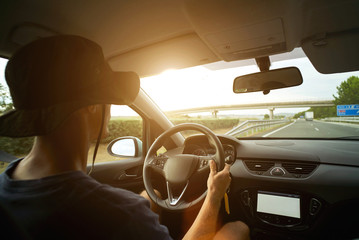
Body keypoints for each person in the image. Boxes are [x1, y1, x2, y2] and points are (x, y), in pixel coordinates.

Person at [0, 35, 249, 239]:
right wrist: (214, 194)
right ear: (91, 107)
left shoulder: (5, 184)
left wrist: (143, 204)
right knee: (236, 230)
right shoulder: (118, 214)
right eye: (107, 98)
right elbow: (122, 215)